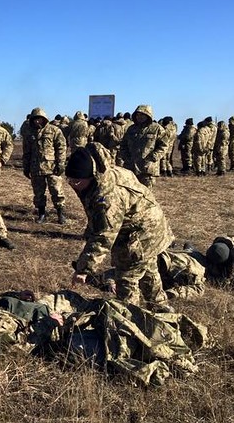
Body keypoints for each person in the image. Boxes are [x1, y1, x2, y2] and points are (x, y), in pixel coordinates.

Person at [0, 286, 206, 386]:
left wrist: (15, 298)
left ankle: (172, 336)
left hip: (52, 323)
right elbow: (19, 348)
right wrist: (51, 324)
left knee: (111, 310)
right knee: (116, 347)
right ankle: (170, 361)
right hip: (57, 342)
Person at [65, 143, 174, 310]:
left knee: (126, 280)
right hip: (148, 227)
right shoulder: (103, 173)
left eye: (77, 181)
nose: (72, 184)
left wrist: (84, 269)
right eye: (69, 180)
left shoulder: (108, 196)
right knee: (148, 271)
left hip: (142, 234)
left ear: (91, 176)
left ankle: (128, 322)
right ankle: (161, 311)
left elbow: (104, 236)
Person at [21, 107, 66, 224]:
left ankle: (60, 214)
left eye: (39, 119)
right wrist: (26, 167)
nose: (37, 122)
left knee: (57, 191)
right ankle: (41, 214)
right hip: (36, 168)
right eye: (35, 119)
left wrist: (61, 163)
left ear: (44, 119)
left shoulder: (54, 130)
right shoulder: (29, 133)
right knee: (38, 193)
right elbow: (26, 151)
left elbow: (61, 148)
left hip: (52, 168)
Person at [119, 104, 169, 188]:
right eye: (138, 115)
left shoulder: (156, 128)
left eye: (142, 115)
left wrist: (153, 157)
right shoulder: (131, 129)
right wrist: (126, 157)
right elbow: (123, 145)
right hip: (131, 167)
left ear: (148, 115)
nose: (139, 117)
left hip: (147, 168)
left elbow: (164, 145)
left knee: (147, 196)